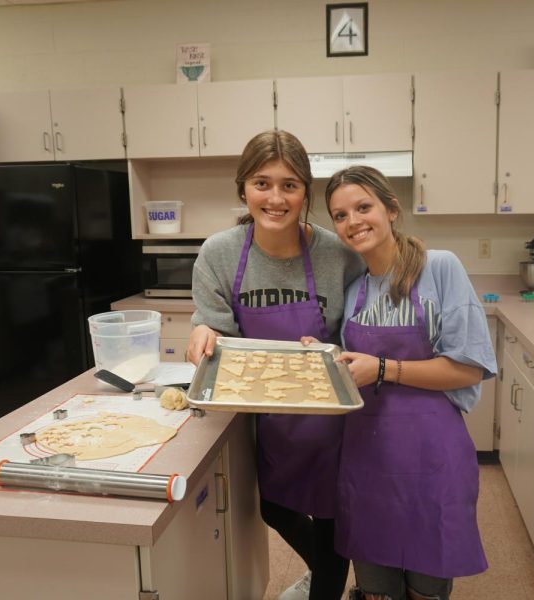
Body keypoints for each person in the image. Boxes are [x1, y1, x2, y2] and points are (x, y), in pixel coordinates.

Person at [186, 130, 364, 600]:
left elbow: (365, 327)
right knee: (275, 509)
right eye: (262, 183)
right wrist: (205, 334)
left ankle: (324, 582)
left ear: (306, 192)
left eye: (290, 185)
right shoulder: (220, 253)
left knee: (331, 524)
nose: (276, 198)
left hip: (332, 418)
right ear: (242, 186)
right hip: (266, 418)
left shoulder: (338, 254)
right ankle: (324, 573)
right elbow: (215, 329)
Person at [322, 165, 497, 600]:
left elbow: (469, 367)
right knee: (375, 590)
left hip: (431, 459)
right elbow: (351, 370)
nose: (353, 222)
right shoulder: (353, 289)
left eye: (363, 207)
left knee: (427, 588)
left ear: (391, 209)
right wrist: (321, 354)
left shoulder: (439, 268)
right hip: (367, 460)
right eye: (340, 216)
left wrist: (385, 368)